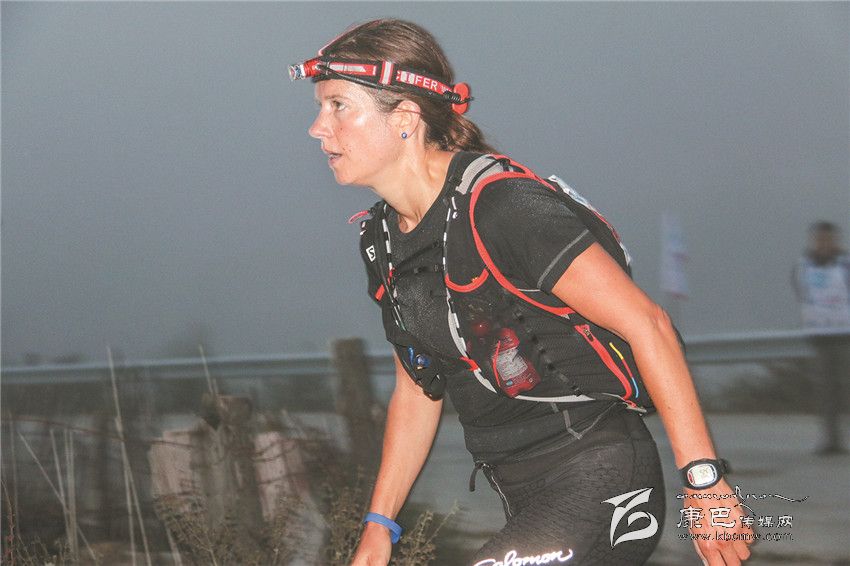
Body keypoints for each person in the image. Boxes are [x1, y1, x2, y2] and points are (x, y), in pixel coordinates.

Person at [291, 19, 754, 565]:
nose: (317, 128)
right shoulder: (383, 240)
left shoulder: (502, 205)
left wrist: (705, 485)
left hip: (602, 477)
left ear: (405, 119)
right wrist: (379, 525)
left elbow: (647, 324)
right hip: (520, 493)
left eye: (338, 106)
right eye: (320, 108)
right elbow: (418, 390)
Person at [792, 221, 850, 455]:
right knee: (826, 391)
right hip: (819, 336)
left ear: (835, 240)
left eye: (828, 239)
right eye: (819, 239)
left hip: (845, 335)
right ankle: (831, 440)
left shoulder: (845, 264)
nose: (823, 243)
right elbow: (801, 292)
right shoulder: (803, 266)